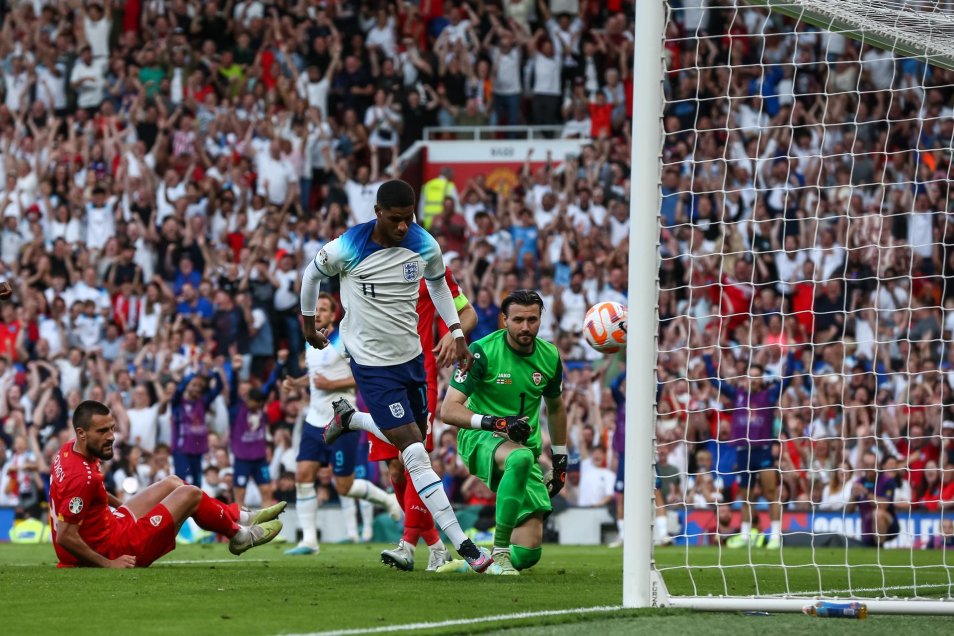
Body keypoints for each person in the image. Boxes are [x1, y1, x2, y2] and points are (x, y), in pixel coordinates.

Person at [299, 179, 492, 573]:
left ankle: (351, 419)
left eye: (409, 218)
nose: (403, 227)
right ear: (378, 213)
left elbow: (438, 284)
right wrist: (306, 324)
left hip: (412, 361)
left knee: (414, 443)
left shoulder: (424, 245)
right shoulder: (348, 246)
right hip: (370, 365)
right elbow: (310, 275)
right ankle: (465, 547)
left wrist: (456, 332)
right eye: (396, 219)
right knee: (416, 454)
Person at [49, 400, 284, 568]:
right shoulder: (81, 478)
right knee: (189, 494)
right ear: (81, 433)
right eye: (102, 431)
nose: (111, 436)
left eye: (112, 428)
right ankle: (240, 535)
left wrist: (126, 507)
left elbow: (93, 491)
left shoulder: (70, 450)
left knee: (173, 482)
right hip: (117, 549)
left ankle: (239, 516)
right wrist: (109, 564)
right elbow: (65, 536)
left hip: (113, 527)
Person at [438, 289, 567, 575]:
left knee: (529, 554)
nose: (525, 327)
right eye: (518, 319)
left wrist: (560, 461)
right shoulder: (482, 351)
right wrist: (496, 422)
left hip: (523, 447)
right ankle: (499, 551)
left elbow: (556, 408)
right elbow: (448, 410)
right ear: (504, 320)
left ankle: (473, 563)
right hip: (479, 436)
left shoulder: (550, 356)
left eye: (532, 320)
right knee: (519, 459)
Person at [282, 292, 401, 557]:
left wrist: (331, 385)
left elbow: (362, 378)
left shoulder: (345, 340)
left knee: (344, 486)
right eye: (316, 309)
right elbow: (315, 377)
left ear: (334, 315)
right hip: (314, 420)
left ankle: (387, 499)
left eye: (324, 309)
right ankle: (309, 541)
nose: (319, 313)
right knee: (302, 475)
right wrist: (297, 383)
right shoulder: (311, 341)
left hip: (342, 420)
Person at [375, 266, 477, 572]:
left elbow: (468, 312)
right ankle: (435, 546)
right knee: (395, 469)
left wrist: (452, 334)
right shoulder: (369, 266)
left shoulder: (431, 268)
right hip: (378, 373)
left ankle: (407, 545)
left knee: (414, 458)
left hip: (419, 374)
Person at [226, 349, 287, 507]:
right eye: (255, 403)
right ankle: (238, 529)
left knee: (266, 491)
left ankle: (267, 529)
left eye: (260, 403)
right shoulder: (236, 407)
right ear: (247, 399)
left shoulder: (259, 401)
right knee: (239, 495)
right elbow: (233, 389)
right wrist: (235, 370)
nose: (258, 406)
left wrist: (280, 363)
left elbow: (271, 382)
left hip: (259, 458)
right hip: (242, 458)